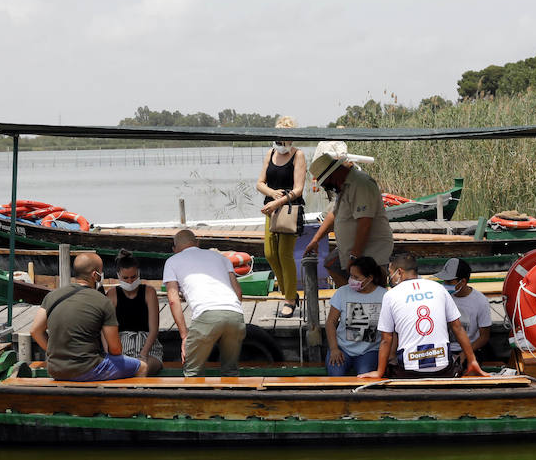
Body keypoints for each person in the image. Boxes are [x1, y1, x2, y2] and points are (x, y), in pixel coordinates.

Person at [362, 251, 485, 380]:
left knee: (392, 366)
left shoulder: (391, 295)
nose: (390, 277)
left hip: (410, 370)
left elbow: (386, 339)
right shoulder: (438, 288)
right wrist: (472, 360)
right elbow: (457, 327)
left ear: (399, 272)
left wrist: (379, 372)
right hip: (443, 368)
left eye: (390, 273)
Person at [29, 251, 147, 381]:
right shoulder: (103, 301)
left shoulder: (51, 296)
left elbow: (35, 331)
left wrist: (54, 353)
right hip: (89, 369)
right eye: (100, 272)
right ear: (95, 275)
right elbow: (115, 349)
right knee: (141, 367)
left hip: (55, 369)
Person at [302, 141, 393, 287]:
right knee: (331, 264)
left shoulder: (361, 184)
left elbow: (365, 223)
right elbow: (334, 214)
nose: (328, 187)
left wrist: (354, 256)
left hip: (371, 250)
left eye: (327, 183)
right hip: (352, 250)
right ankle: (350, 299)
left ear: (335, 174)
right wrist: (315, 240)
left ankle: (361, 300)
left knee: (373, 289)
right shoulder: (343, 185)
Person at [162, 229, 246, 377]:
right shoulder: (220, 257)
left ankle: (194, 399)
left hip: (206, 315)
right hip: (235, 314)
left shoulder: (172, 261)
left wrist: (184, 336)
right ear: (197, 243)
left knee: (193, 373)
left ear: (174, 249)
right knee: (230, 373)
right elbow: (238, 292)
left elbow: (173, 301)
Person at [256, 116, 307, 318]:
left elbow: (299, 189)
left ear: (291, 139)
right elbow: (259, 183)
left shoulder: (298, 155)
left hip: (289, 211)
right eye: (277, 137)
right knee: (270, 254)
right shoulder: (270, 153)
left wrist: (279, 200)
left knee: (285, 255)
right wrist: (271, 193)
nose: (280, 142)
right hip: (270, 209)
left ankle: (289, 300)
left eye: (284, 138)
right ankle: (290, 292)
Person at [325, 255, 387, 376]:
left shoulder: (384, 296)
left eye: (356, 277)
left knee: (365, 379)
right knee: (336, 378)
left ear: (369, 278)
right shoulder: (342, 292)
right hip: (342, 349)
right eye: (351, 276)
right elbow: (330, 323)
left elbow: (391, 330)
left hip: (370, 350)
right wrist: (334, 349)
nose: (351, 280)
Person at [107, 249, 164, 375]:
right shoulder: (112, 294)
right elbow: (106, 328)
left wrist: (143, 354)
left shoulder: (149, 292)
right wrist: (111, 353)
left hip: (149, 349)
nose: (129, 281)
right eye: (125, 278)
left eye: (133, 277)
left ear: (138, 273)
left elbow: (154, 329)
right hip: (121, 348)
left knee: (142, 369)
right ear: (118, 276)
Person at [436, 257, 492, 360]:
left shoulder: (480, 301)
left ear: (462, 282)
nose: (445, 285)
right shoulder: (440, 297)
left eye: (449, 282)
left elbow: (484, 337)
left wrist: (465, 354)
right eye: (444, 281)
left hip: (471, 349)